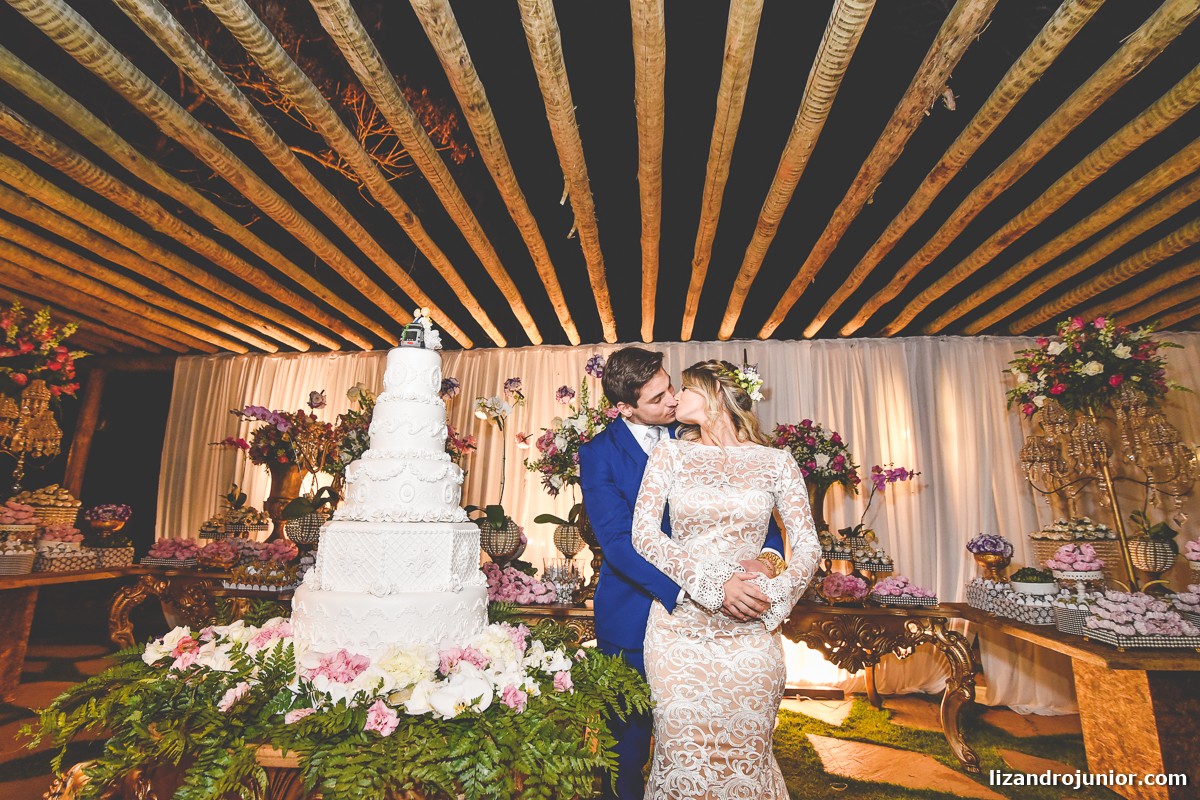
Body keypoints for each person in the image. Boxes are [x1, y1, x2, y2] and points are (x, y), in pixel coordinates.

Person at [579, 347, 787, 800]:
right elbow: (618, 545)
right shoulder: (598, 454)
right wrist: (705, 588)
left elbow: (762, 516)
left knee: (703, 747)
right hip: (635, 617)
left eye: (672, 385)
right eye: (657, 398)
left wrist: (768, 561)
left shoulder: (696, 431)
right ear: (624, 408)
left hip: (719, 627)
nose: (673, 400)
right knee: (627, 752)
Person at [631, 359, 820, 799]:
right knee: (682, 755)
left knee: (746, 757)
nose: (674, 398)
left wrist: (772, 594)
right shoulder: (669, 453)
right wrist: (714, 584)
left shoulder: (776, 462)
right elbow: (643, 533)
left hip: (750, 635)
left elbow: (809, 546)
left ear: (715, 393)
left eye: (685, 389)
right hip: (680, 635)